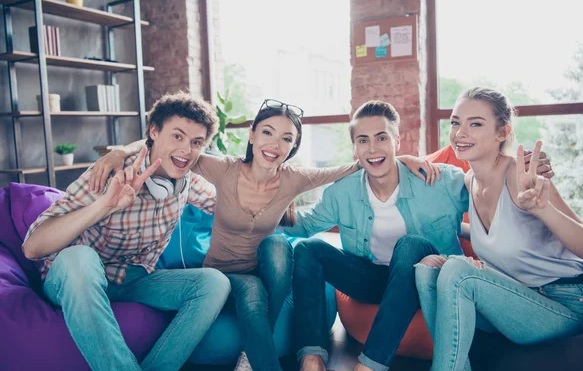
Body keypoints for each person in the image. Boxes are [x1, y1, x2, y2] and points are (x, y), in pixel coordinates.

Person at [90, 98, 437, 371]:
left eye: (287, 138)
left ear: (293, 146)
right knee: (253, 290)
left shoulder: (293, 178)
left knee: (276, 246)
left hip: (264, 272)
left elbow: (355, 164)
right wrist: (122, 151)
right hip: (221, 275)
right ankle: (257, 360)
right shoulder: (222, 168)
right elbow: (170, 146)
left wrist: (399, 156)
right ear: (253, 135)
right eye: (268, 132)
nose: (276, 143)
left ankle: (257, 355)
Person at [285, 100, 554, 371]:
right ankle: (311, 358)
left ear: (397, 141)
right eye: (363, 140)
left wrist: (521, 171)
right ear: (355, 148)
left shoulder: (438, 180)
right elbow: (303, 226)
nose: (373, 148)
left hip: (426, 279)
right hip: (373, 279)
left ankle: (370, 365)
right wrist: (258, 214)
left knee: (410, 244)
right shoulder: (341, 192)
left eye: (382, 138)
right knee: (308, 249)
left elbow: (492, 191)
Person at [21, 92, 231, 371]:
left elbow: (231, 207)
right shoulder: (109, 174)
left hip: (133, 278)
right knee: (79, 258)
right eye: (177, 136)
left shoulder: (188, 183)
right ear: (154, 132)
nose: (186, 150)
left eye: (196, 142)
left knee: (215, 283)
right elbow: (32, 247)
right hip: (76, 277)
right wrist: (104, 205)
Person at [415, 87, 583, 371]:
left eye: (475, 123)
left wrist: (542, 209)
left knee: (458, 271)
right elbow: (494, 232)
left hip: (569, 304)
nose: (460, 132)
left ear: (502, 132)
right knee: (428, 268)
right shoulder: (469, 181)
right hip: (517, 299)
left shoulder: (520, 175)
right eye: (455, 122)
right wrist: (449, 226)